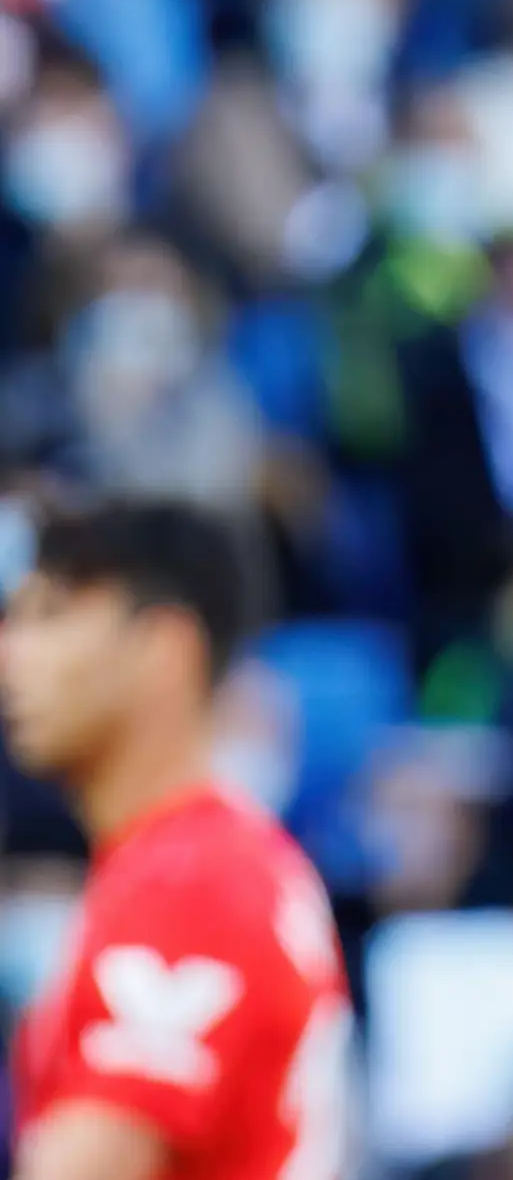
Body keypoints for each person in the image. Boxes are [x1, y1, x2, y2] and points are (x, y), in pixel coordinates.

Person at [0, 498, 349, 1180]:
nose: (11, 655)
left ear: (164, 648)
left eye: (50, 616)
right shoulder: (194, 862)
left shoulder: (192, 885)